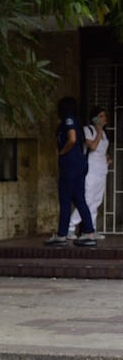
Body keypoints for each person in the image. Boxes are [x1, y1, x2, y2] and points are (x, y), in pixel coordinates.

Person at [47, 96, 97, 247]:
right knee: (79, 199)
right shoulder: (75, 120)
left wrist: (63, 152)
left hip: (70, 165)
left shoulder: (68, 120)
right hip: (79, 165)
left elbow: (72, 139)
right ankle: (89, 232)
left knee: (65, 199)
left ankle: (62, 234)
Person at [69, 105, 111, 240]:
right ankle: (70, 227)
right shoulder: (88, 130)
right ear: (94, 119)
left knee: (96, 200)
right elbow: (92, 146)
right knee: (87, 199)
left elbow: (102, 151)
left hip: (101, 170)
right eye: (101, 116)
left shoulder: (105, 134)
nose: (104, 119)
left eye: (105, 116)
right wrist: (98, 131)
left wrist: (107, 158)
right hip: (91, 170)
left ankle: (90, 229)